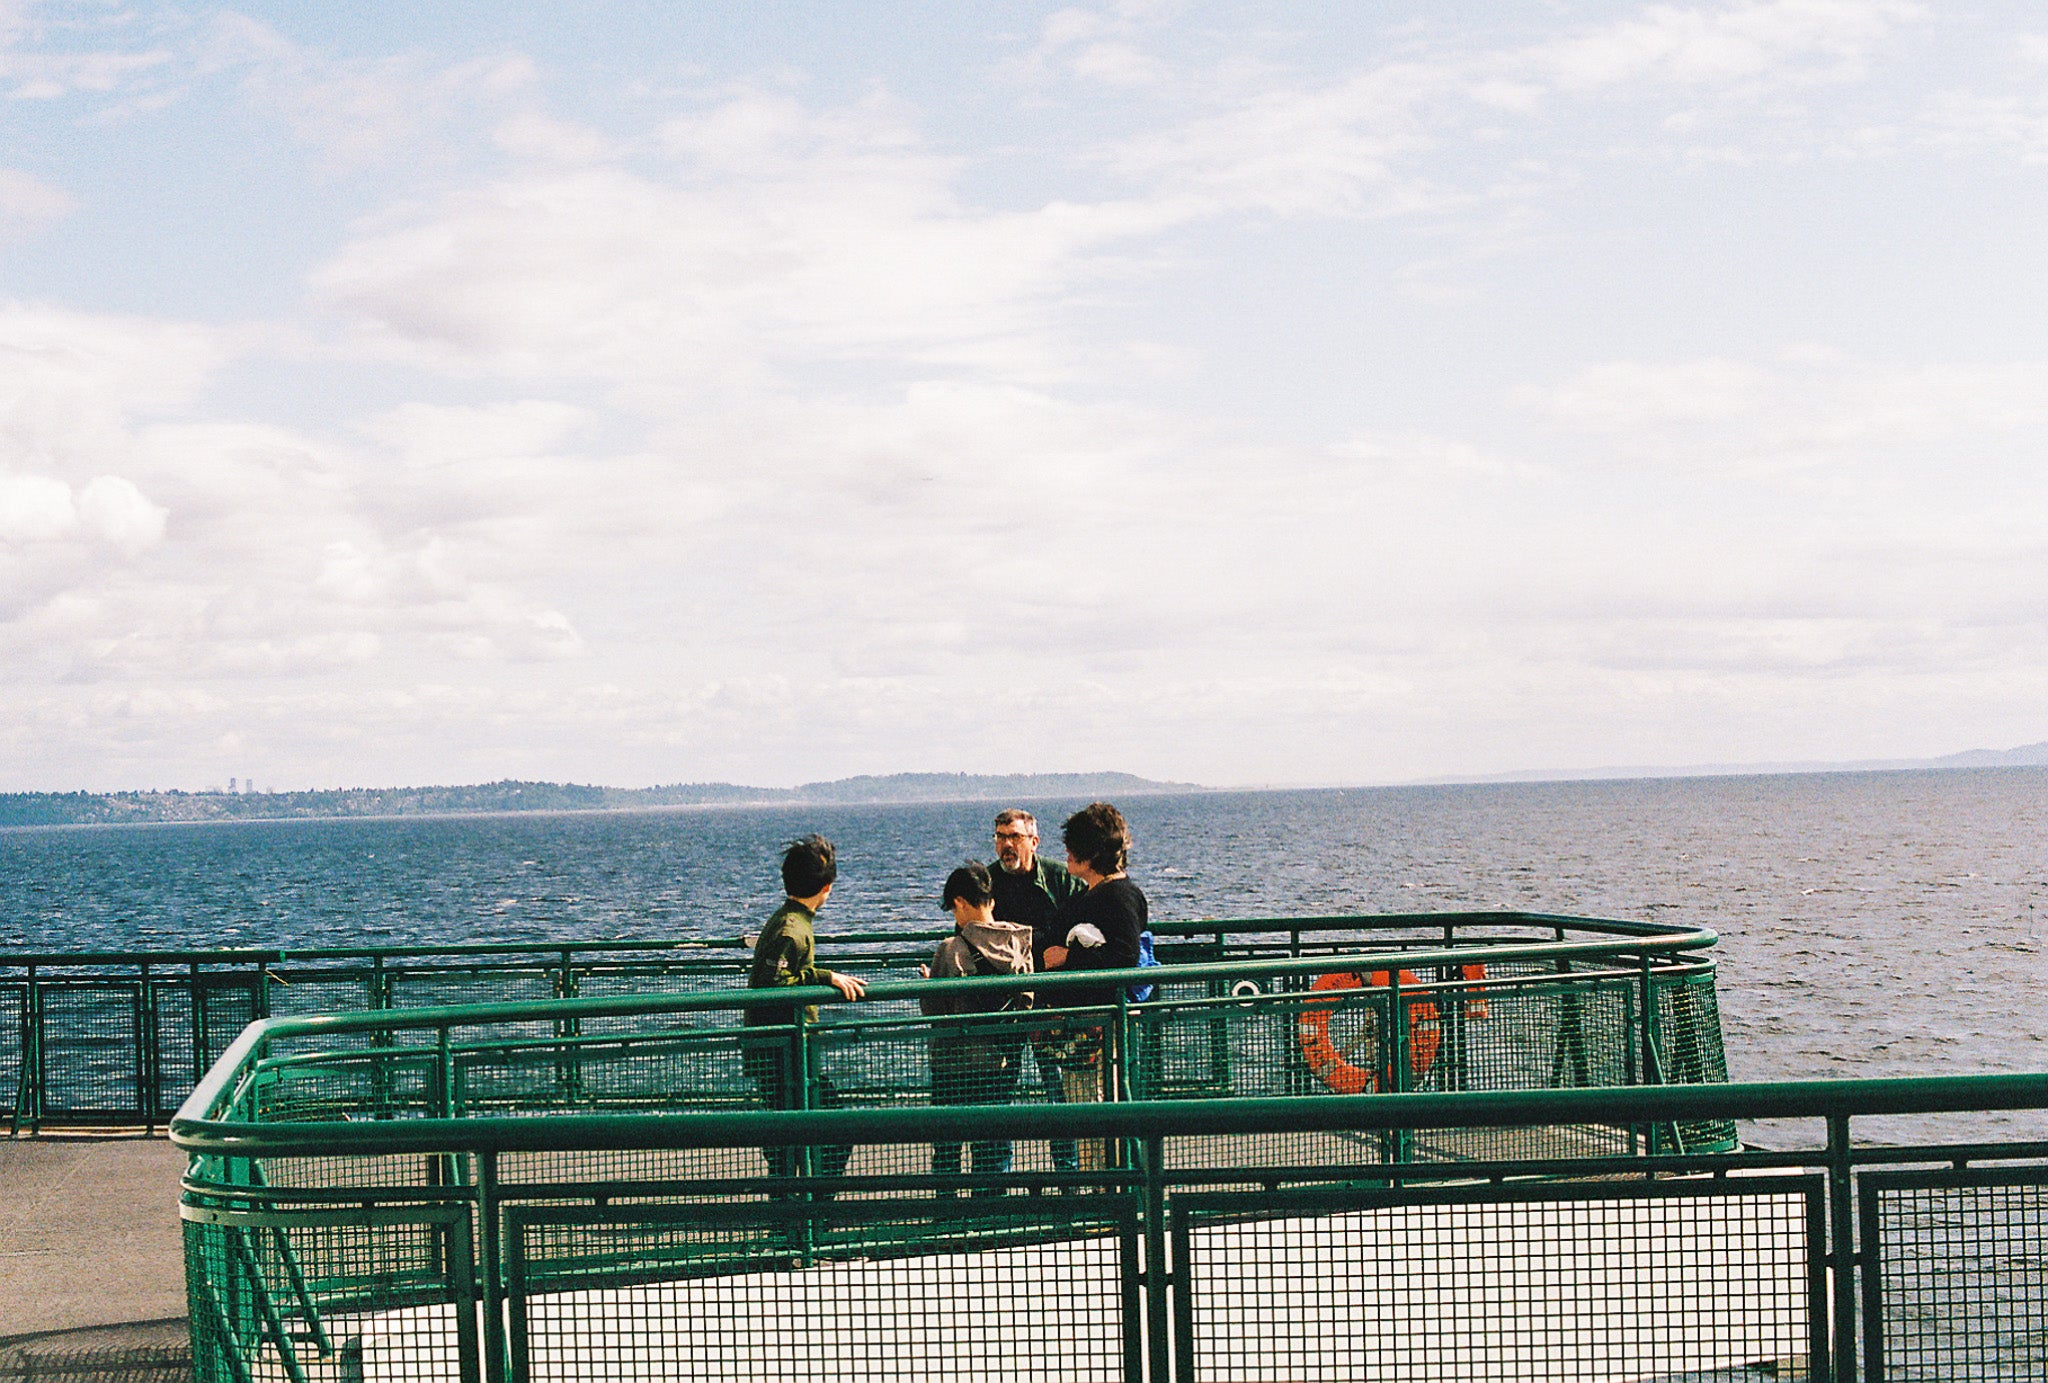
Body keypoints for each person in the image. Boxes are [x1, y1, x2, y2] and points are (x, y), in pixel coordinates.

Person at [743, 834, 867, 1184]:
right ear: (827, 887)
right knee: (821, 1134)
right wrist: (825, 976)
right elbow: (774, 984)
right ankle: (804, 1221)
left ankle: (797, 1222)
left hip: (783, 1051)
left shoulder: (791, 921)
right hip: (782, 1053)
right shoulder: (792, 929)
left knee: (792, 1142)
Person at [1038, 802, 1147, 1172]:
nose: (1066, 853)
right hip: (1088, 1028)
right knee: (1091, 1118)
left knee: (1098, 1117)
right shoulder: (1098, 894)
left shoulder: (1117, 897)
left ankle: (1109, 1199)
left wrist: (1067, 960)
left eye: (1075, 846)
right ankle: (1105, 1196)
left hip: (1100, 1029)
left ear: (1094, 851)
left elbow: (1124, 955)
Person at [920, 862, 1034, 1191]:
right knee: (993, 1141)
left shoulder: (950, 950)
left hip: (952, 1064)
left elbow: (935, 1012)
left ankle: (949, 1216)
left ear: (960, 903)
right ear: (992, 902)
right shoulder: (1020, 944)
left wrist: (929, 986)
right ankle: (992, 1211)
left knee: (947, 1144)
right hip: (1000, 1061)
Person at [988, 808, 1088, 1173]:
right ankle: (995, 1186)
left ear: (1034, 841)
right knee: (998, 1094)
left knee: (1058, 1094)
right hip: (1006, 1004)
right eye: (1000, 837)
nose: (1006, 845)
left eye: (1014, 837)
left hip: (1051, 1001)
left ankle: (1069, 1178)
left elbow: (1090, 923)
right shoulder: (987, 882)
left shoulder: (1060, 879)